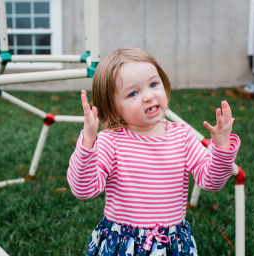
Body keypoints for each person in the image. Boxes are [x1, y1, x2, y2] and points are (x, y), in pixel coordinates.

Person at [67, 47, 240, 255]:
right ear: (113, 107)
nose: (149, 96)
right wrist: (88, 142)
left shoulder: (182, 137)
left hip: (171, 244)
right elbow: (83, 189)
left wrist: (222, 148)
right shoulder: (110, 142)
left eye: (153, 84)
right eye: (133, 93)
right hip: (123, 245)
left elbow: (211, 181)